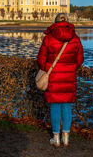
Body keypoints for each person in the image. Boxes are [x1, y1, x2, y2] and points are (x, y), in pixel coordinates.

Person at [36, 13, 84, 147]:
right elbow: (80, 60)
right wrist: (71, 68)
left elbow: (40, 60)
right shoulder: (75, 39)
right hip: (69, 77)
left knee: (55, 106)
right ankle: (66, 138)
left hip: (53, 77)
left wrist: (48, 68)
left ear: (55, 22)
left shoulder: (48, 38)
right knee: (67, 106)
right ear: (68, 22)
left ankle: (56, 138)